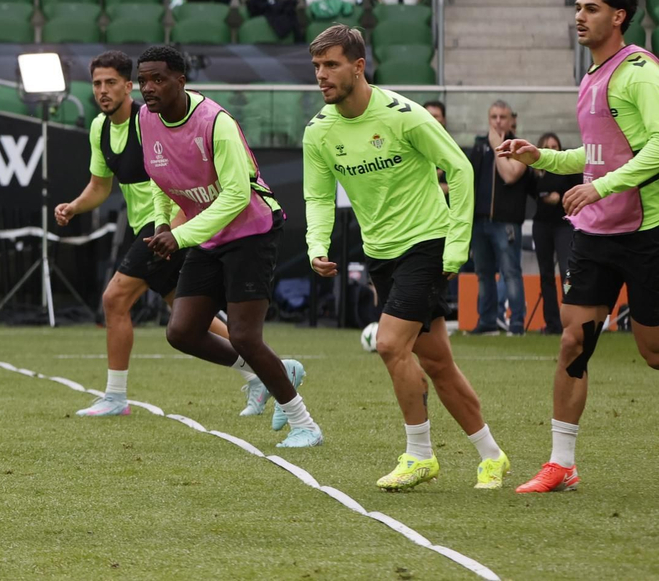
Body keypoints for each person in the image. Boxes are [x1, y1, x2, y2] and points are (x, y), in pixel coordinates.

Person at [303, 26, 510, 490]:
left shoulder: (403, 115)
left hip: (427, 244)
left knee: (390, 344)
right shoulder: (318, 131)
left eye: (331, 64)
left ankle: (419, 455)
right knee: (438, 364)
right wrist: (317, 244)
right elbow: (317, 196)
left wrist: (457, 246)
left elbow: (458, 168)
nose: (322, 75)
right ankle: (492, 456)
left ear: (358, 67)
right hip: (381, 254)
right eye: (317, 66)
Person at [496, 0, 659, 494]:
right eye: (578, 6)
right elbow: (593, 156)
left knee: (652, 349)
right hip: (595, 233)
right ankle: (561, 463)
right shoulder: (592, 75)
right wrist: (539, 155)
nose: (579, 16)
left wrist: (602, 187)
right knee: (573, 342)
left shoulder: (639, 72)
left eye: (591, 8)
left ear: (618, 16)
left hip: (646, 229)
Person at [58, 52, 278, 418]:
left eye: (111, 82)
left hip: (167, 226)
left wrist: (177, 228)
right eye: (96, 83)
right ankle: (269, 372)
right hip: (152, 228)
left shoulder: (149, 119)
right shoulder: (100, 128)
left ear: (129, 86)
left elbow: (181, 177)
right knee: (187, 313)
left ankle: (115, 396)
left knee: (114, 298)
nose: (103, 90)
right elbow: (99, 187)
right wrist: (73, 207)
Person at [135, 45, 321, 447]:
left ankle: (304, 423)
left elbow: (237, 195)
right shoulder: (144, 119)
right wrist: (163, 221)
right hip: (207, 234)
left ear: (181, 80)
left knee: (244, 336)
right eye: (143, 80)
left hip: (252, 232)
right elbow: (158, 176)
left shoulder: (215, 122)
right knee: (182, 331)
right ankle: (272, 372)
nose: (147, 88)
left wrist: (180, 235)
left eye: (158, 79)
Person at [467, 100, 528, 336]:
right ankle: (487, 321)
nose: (498, 122)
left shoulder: (519, 147)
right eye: (494, 117)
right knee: (483, 274)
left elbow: (511, 175)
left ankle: (516, 324)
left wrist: (496, 146)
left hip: (506, 222)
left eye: (503, 117)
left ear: (512, 120)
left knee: (511, 272)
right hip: (480, 221)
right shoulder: (479, 146)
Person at [529, 132, 574, 336]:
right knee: (546, 274)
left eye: (556, 147)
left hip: (563, 224)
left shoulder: (568, 168)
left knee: (567, 272)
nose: (552, 150)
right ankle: (552, 323)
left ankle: (571, 319)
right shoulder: (537, 172)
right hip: (542, 225)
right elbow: (531, 191)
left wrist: (561, 197)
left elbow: (577, 187)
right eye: (548, 146)